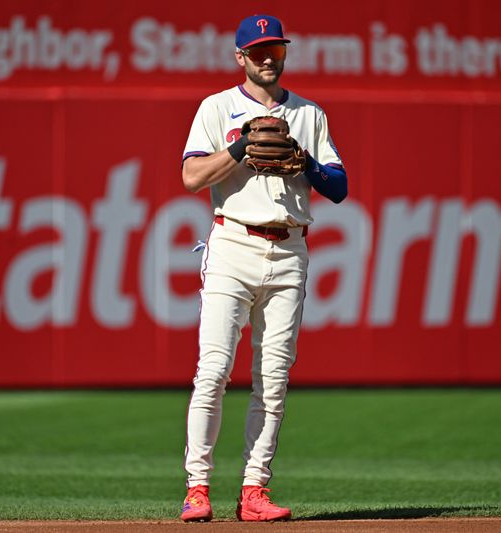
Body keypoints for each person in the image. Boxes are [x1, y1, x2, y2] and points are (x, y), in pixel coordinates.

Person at [179, 13, 348, 522]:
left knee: (272, 380)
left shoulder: (309, 115)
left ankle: (254, 489)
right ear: (241, 58)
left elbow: (338, 187)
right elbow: (190, 176)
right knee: (213, 371)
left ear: (284, 52)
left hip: (290, 249)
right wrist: (238, 145)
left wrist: (306, 162)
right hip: (233, 243)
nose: (268, 57)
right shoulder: (217, 108)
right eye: (258, 50)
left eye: (275, 48)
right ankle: (198, 487)